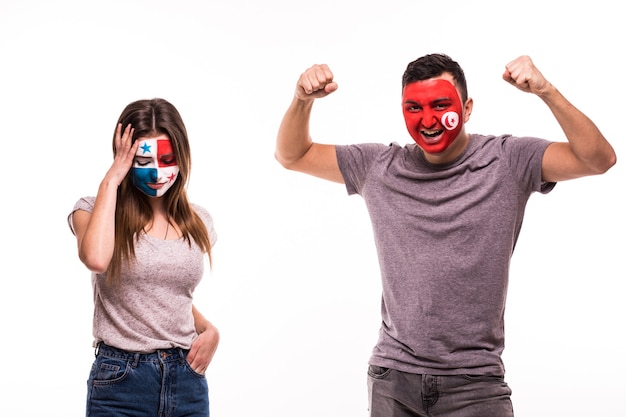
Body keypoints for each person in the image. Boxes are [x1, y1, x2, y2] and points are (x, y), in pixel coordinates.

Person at [274, 54, 616, 417]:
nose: (429, 120)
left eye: (441, 105)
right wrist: (302, 100)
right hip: (394, 379)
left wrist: (546, 91)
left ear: (467, 108)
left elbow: (598, 159)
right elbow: (292, 155)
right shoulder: (378, 166)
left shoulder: (509, 161)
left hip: (476, 385)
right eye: (414, 107)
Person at [68, 98, 219, 417]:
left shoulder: (198, 221)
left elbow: (166, 295)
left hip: (186, 380)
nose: (156, 172)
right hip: (121, 382)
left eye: (167, 159)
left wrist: (209, 330)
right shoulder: (94, 211)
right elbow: (96, 259)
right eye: (142, 159)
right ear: (123, 158)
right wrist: (112, 179)